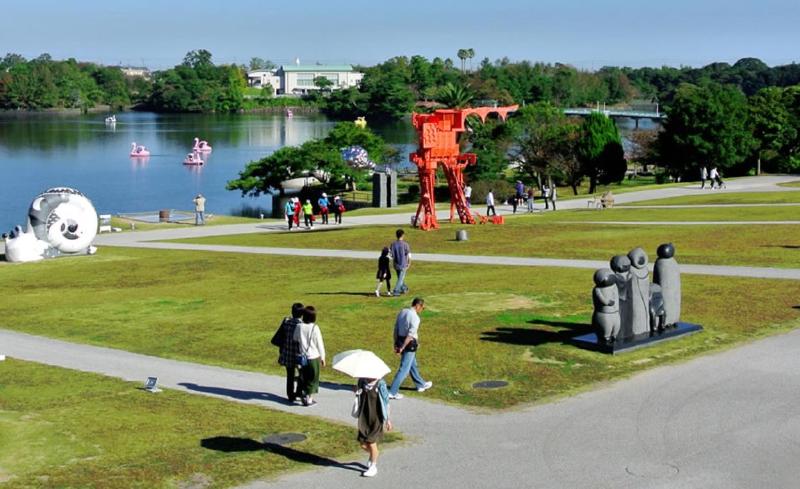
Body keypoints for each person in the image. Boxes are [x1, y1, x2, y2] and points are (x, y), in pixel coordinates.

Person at [388, 298, 432, 399]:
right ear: (417, 306)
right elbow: (410, 335)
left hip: (400, 340)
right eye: (422, 308)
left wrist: (396, 343)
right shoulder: (415, 317)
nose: (422, 310)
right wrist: (403, 347)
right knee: (404, 369)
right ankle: (392, 392)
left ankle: (420, 384)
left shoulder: (402, 312)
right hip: (408, 344)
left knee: (413, 364)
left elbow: (396, 328)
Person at [355, 376, 392, 477]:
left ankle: (373, 466)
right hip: (364, 416)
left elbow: (386, 402)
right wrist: (357, 390)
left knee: (371, 442)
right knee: (363, 444)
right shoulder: (361, 381)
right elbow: (358, 395)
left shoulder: (380, 384)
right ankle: (374, 454)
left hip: (376, 418)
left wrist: (388, 419)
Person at [293, 305, 326, 406]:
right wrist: (323, 357)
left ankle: (303, 393)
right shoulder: (315, 328)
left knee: (304, 376)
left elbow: (295, 338)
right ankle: (309, 398)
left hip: (302, 356)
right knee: (313, 378)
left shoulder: (299, 326)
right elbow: (319, 344)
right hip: (313, 357)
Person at [276, 303, 304, 402]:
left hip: (287, 352)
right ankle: (299, 392)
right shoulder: (301, 325)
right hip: (298, 354)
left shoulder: (287, 322)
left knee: (290, 375)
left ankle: (290, 395)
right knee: (302, 374)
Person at [390, 229, 410, 296]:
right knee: (400, 279)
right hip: (403, 264)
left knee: (400, 278)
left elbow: (391, 255)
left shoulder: (393, 244)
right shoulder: (405, 244)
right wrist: (409, 262)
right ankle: (396, 291)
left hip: (396, 264)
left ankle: (404, 288)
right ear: (403, 235)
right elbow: (408, 254)